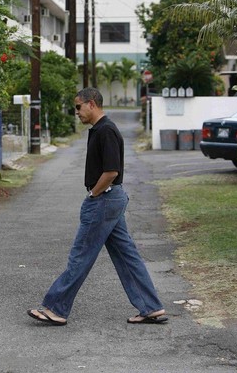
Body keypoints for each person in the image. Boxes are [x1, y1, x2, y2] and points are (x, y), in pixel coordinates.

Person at [27, 87, 167, 326]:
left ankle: (55, 308)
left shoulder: (106, 131)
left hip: (104, 200)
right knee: (126, 256)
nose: (77, 113)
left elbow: (112, 171)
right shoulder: (99, 130)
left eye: (78, 107)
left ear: (91, 104)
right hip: (110, 200)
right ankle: (151, 307)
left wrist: (93, 194)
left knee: (80, 256)